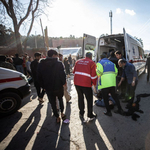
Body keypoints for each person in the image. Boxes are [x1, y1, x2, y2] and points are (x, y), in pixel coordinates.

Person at [37, 49, 66, 123]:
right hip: (58, 86)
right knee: (60, 99)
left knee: (52, 103)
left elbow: (39, 77)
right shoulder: (59, 63)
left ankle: (57, 117)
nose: (57, 57)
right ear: (53, 55)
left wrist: (43, 86)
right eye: (56, 55)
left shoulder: (41, 63)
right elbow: (62, 75)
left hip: (48, 87)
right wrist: (64, 83)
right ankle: (62, 113)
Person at [73, 52, 97, 121]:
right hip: (86, 84)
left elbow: (74, 72)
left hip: (77, 83)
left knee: (80, 98)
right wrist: (94, 84)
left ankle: (81, 113)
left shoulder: (78, 61)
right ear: (91, 56)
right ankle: (90, 114)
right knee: (89, 99)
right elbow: (93, 76)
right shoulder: (92, 63)